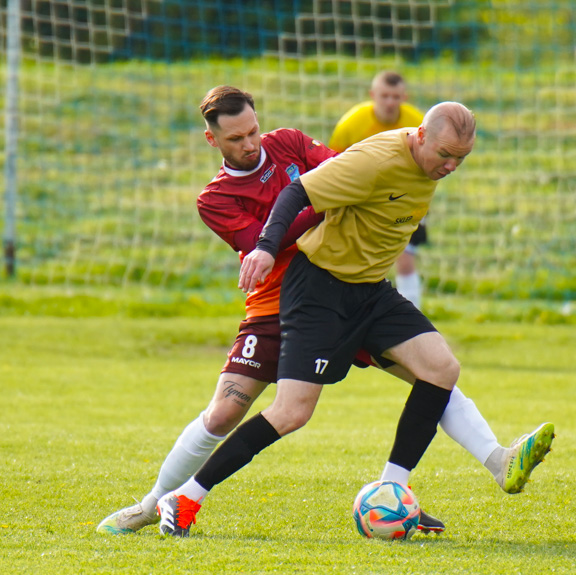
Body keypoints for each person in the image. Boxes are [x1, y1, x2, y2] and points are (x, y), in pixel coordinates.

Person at [96, 86, 551, 537]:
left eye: (253, 130)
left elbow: (342, 176)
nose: (250, 143)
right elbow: (288, 218)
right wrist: (320, 210)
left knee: (436, 371)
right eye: (236, 138)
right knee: (240, 412)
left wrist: (343, 200)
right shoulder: (215, 198)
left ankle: (428, 483)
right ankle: (159, 502)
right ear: (212, 140)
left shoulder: (291, 143)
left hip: (359, 285)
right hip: (287, 296)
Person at [330, 71, 427, 309]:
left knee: (404, 259)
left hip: (405, 201)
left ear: (405, 96)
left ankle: (412, 315)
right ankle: (349, 312)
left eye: (396, 96)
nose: (390, 102)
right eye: (385, 96)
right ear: (373, 95)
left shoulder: (419, 123)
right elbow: (331, 164)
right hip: (361, 204)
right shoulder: (351, 124)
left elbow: (429, 167)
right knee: (355, 260)